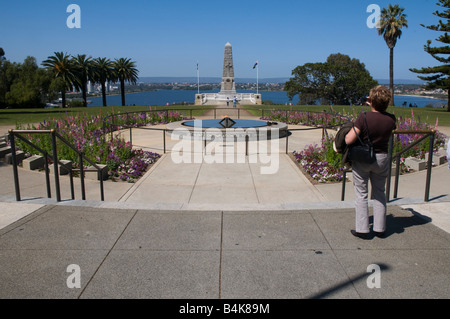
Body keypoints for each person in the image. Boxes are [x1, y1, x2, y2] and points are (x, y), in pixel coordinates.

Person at [345, 85, 397, 239]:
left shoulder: (364, 117)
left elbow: (349, 139)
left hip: (364, 158)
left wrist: (368, 104)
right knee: (380, 193)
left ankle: (362, 229)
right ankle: (380, 228)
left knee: (361, 193)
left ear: (371, 101)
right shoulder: (391, 119)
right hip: (382, 158)